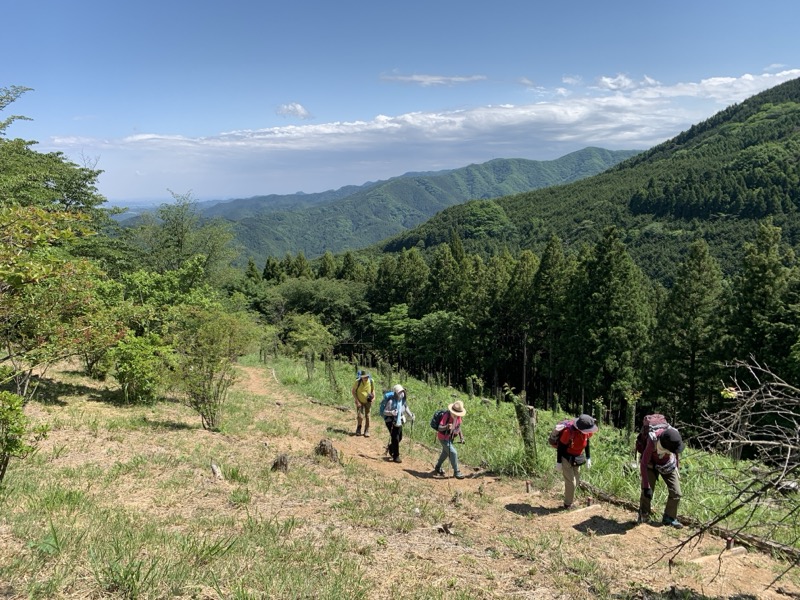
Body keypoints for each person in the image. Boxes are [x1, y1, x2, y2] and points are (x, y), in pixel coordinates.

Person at [639, 426, 685, 528]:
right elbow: (643, 463)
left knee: (676, 493)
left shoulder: (674, 437)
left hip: (667, 464)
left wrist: (677, 467)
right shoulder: (653, 440)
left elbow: (676, 452)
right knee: (647, 492)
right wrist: (646, 486)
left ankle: (669, 518)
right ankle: (644, 515)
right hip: (649, 465)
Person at [555, 414, 598, 509]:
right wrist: (558, 462)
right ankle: (568, 504)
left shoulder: (586, 432)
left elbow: (587, 443)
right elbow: (561, 448)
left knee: (576, 480)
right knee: (571, 482)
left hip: (577, 458)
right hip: (566, 458)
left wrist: (588, 458)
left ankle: (569, 499)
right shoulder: (568, 432)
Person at [433, 400, 466, 479]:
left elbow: (459, 427)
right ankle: (456, 471)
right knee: (453, 453)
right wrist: (447, 426)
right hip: (443, 438)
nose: (457, 415)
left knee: (445, 453)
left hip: (450, 438)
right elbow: (439, 428)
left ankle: (437, 467)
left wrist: (461, 437)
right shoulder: (446, 416)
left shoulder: (458, 417)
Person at [382, 384, 414, 463]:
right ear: (396, 393)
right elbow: (384, 412)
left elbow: (406, 408)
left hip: (399, 421)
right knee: (395, 438)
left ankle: (391, 447)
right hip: (390, 422)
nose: (402, 393)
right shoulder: (391, 401)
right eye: (400, 392)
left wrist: (411, 415)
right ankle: (396, 456)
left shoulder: (402, 400)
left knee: (400, 437)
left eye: (402, 391)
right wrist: (391, 412)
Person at [351, 370, 375, 437]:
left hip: (368, 402)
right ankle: (358, 428)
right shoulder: (357, 382)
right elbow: (353, 391)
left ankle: (367, 430)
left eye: (367, 377)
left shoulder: (371, 381)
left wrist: (374, 397)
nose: (366, 378)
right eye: (364, 377)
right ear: (361, 377)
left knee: (368, 416)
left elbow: (373, 390)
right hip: (359, 401)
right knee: (360, 416)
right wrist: (357, 401)